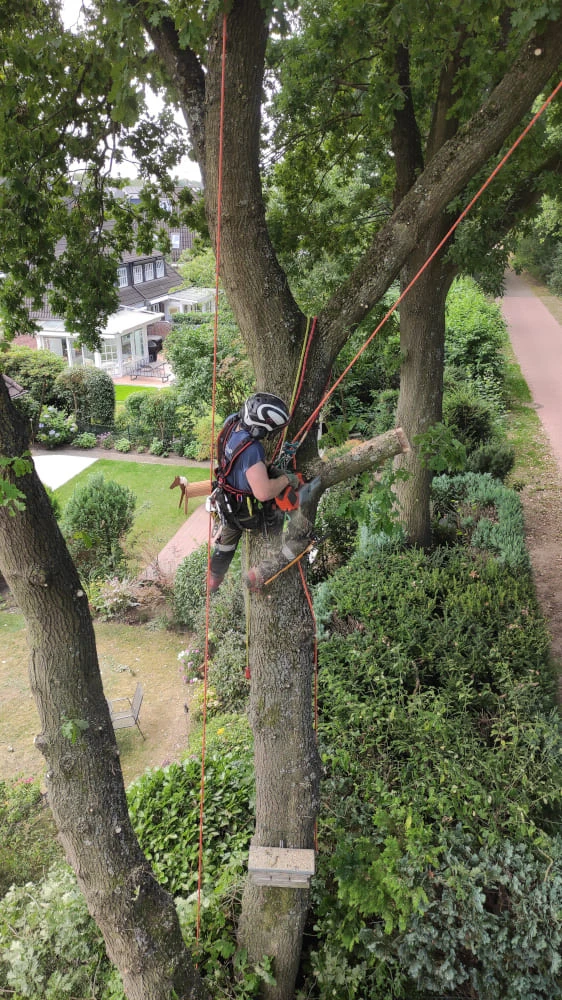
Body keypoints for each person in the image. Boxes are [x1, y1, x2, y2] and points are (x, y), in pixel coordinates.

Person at [208, 393, 299, 591]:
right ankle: (258, 575)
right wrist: (285, 479)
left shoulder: (232, 423)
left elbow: (238, 459)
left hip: (227, 500)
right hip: (247, 511)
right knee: (284, 522)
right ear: (260, 428)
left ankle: (214, 578)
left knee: (226, 543)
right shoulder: (251, 449)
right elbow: (264, 493)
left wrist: (262, 466)